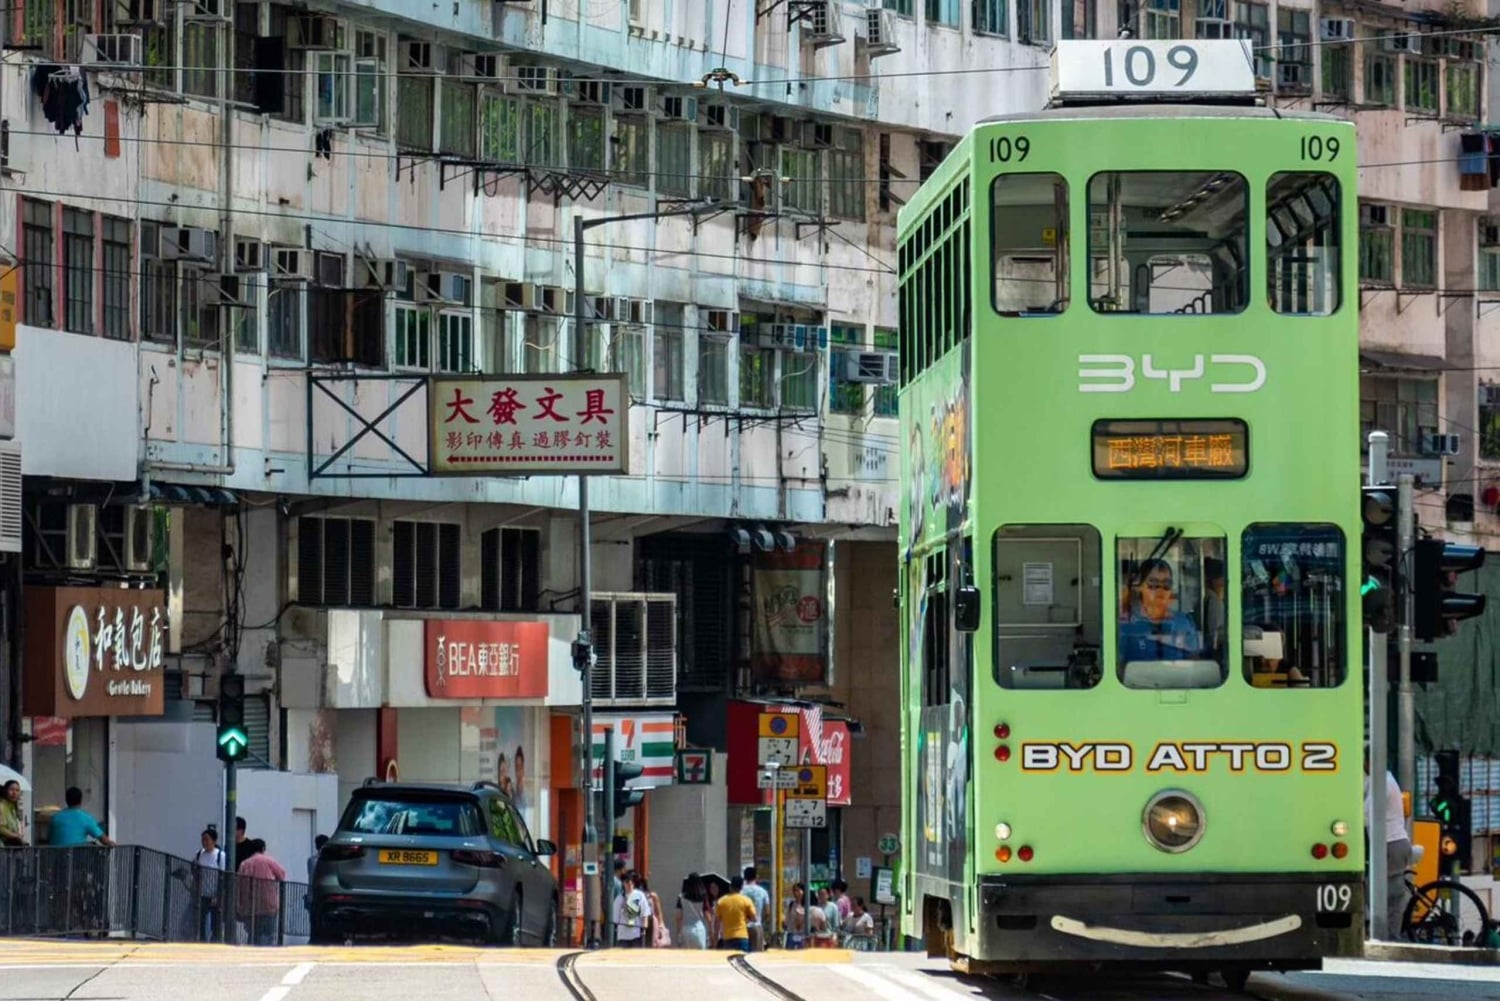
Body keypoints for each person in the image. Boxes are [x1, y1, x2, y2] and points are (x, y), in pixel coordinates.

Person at [1118, 558, 1203, 662]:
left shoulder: (1184, 623)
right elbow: (1118, 667)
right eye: (1153, 584)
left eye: (1166, 584)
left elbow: (1195, 664)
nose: (1160, 590)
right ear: (1140, 587)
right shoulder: (1126, 625)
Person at [1365, 747, 1410, 938]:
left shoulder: (1382, 783)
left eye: (1364, 762)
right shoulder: (1385, 779)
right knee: (1389, 894)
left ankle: (1388, 937)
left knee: (1379, 893)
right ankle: (1391, 936)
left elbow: (1367, 813)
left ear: (1370, 761)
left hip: (1390, 844)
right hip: (1397, 842)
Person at [237, 839, 286, 946]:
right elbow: (282, 874)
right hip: (269, 905)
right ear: (263, 849)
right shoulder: (269, 861)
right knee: (268, 934)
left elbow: (239, 884)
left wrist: (240, 905)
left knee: (252, 934)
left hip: (249, 906)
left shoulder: (245, 864)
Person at [48, 787, 113, 847]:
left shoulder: (55, 818)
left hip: (56, 857)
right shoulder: (85, 818)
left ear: (66, 800)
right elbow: (104, 840)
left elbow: (49, 839)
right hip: (77, 857)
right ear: (80, 800)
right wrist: (114, 845)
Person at [193, 827, 227, 943]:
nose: (204, 842)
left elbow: (223, 876)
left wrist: (218, 894)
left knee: (215, 920)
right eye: (203, 840)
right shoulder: (199, 854)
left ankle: (215, 940)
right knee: (201, 919)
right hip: (202, 892)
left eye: (207, 840)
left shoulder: (220, 856)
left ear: (214, 841)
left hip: (215, 893)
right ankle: (202, 940)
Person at [714, 876, 757, 953]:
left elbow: (717, 922)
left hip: (727, 938)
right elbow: (754, 918)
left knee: (729, 961)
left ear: (730, 887)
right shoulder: (746, 900)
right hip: (742, 936)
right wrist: (746, 919)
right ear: (741, 887)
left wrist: (715, 939)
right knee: (742, 962)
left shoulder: (721, 901)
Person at [612, 870, 651, 947]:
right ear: (623, 883)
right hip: (623, 935)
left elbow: (645, 913)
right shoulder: (619, 898)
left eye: (631, 882)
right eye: (627, 882)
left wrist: (644, 930)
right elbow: (615, 919)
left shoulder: (640, 895)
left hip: (637, 934)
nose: (630, 884)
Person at [675, 873, 711, 950]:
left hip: (686, 930)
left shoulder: (681, 897)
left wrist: (679, 935)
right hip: (699, 929)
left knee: (687, 958)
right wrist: (711, 932)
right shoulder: (703, 896)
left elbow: (678, 917)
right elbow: (708, 917)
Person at [740, 866, 770, 951]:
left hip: (742, 927)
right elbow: (767, 912)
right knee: (756, 956)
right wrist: (760, 920)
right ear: (756, 876)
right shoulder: (763, 891)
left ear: (745, 877)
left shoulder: (741, 891)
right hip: (756, 926)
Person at [0, 780, 26, 847]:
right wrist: (17, 836)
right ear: (5, 791)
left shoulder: (13, 808)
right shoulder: (1, 806)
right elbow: (1, 828)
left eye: (17, 790)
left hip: (12, 848)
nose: (14, 793)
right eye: (11, 789)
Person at [783, 882, 807, 949]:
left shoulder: (807, 905)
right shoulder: (791, 905)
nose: (796, 893)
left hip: (803, 935)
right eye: (794, 891)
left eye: (798, 890)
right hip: (791, 934)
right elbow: (786, 921)